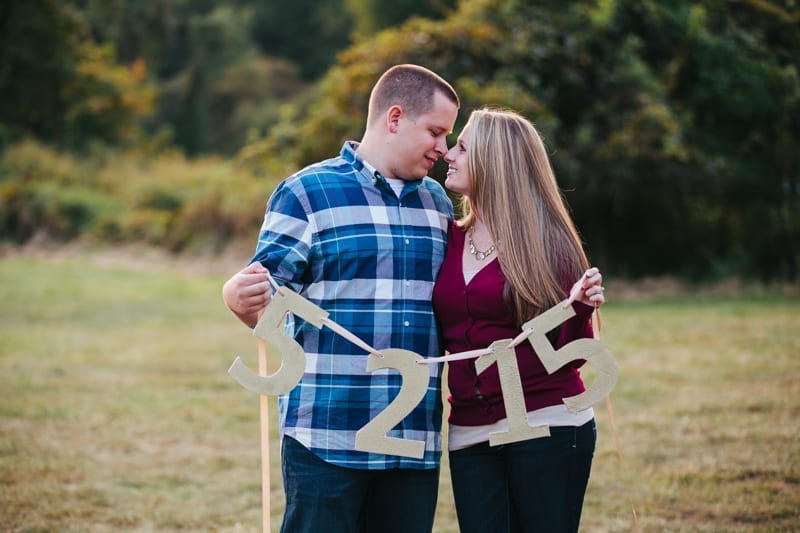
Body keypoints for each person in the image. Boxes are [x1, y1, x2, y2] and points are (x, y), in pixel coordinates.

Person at [222, 64, 459, 532]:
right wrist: (239, 297)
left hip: (412, 440)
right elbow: (267, 293)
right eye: (435, 132)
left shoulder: (438, 203)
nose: (443, 148)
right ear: (394, 118)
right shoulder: (306, 193)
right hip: (325, 434)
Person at [432, 107, 606, 533]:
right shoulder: (446, 236)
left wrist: (579, 306)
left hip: (547, 424)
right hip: (469, 430)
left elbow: (567, 355)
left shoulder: (547, 243)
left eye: (462, 147)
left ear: (495, 160)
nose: (448, 155)